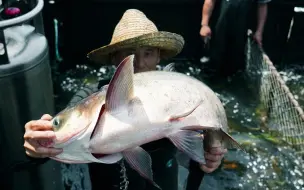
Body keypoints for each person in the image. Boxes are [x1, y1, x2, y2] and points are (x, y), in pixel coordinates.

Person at [23, 9, 227, 190]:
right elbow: (67, 125)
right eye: (129, 54)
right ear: (114, 59)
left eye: (148, 53)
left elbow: (200, 147)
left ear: (159, 58)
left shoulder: (177, 94)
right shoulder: (92, 94)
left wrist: (210, 160)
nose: (139, 63)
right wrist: (37, 148)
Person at [199, 0, 271, 77]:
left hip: (241, 30)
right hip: (220, 28)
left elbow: (262, 5)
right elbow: (210, 1)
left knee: (236, 66)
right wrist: (204, 25)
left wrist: (259, 32)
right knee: (214, 61)